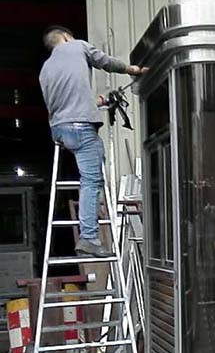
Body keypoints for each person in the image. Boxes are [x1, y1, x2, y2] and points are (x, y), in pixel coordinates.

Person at [39, 26, 145, 257]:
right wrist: (132, 69)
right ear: (66, 37)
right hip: (81, 128)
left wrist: (101, 101)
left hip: (60, 130)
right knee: (91, 180)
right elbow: (105, 61)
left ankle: (89, 229)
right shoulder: (78, 46)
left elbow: (65, 102)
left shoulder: (45, 69)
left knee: (91, 171)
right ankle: (88, 237)